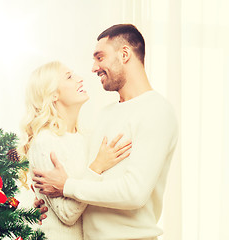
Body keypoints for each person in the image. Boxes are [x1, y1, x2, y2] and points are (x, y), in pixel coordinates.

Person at [32, 24, 179, 240]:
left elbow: (134, 193)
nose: (93, 68)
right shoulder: (103, 115)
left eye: (100, 57)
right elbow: (86, 175)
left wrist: (67, 186)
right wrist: (41, 204)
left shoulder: (156, 110)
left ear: (125, 54)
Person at [19, 61, 132, 240]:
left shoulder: (83, 138)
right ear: (53, 94)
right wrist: (97, 166)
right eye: (69, 76)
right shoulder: (45, 141)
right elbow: (68, 215)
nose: (80, 79)